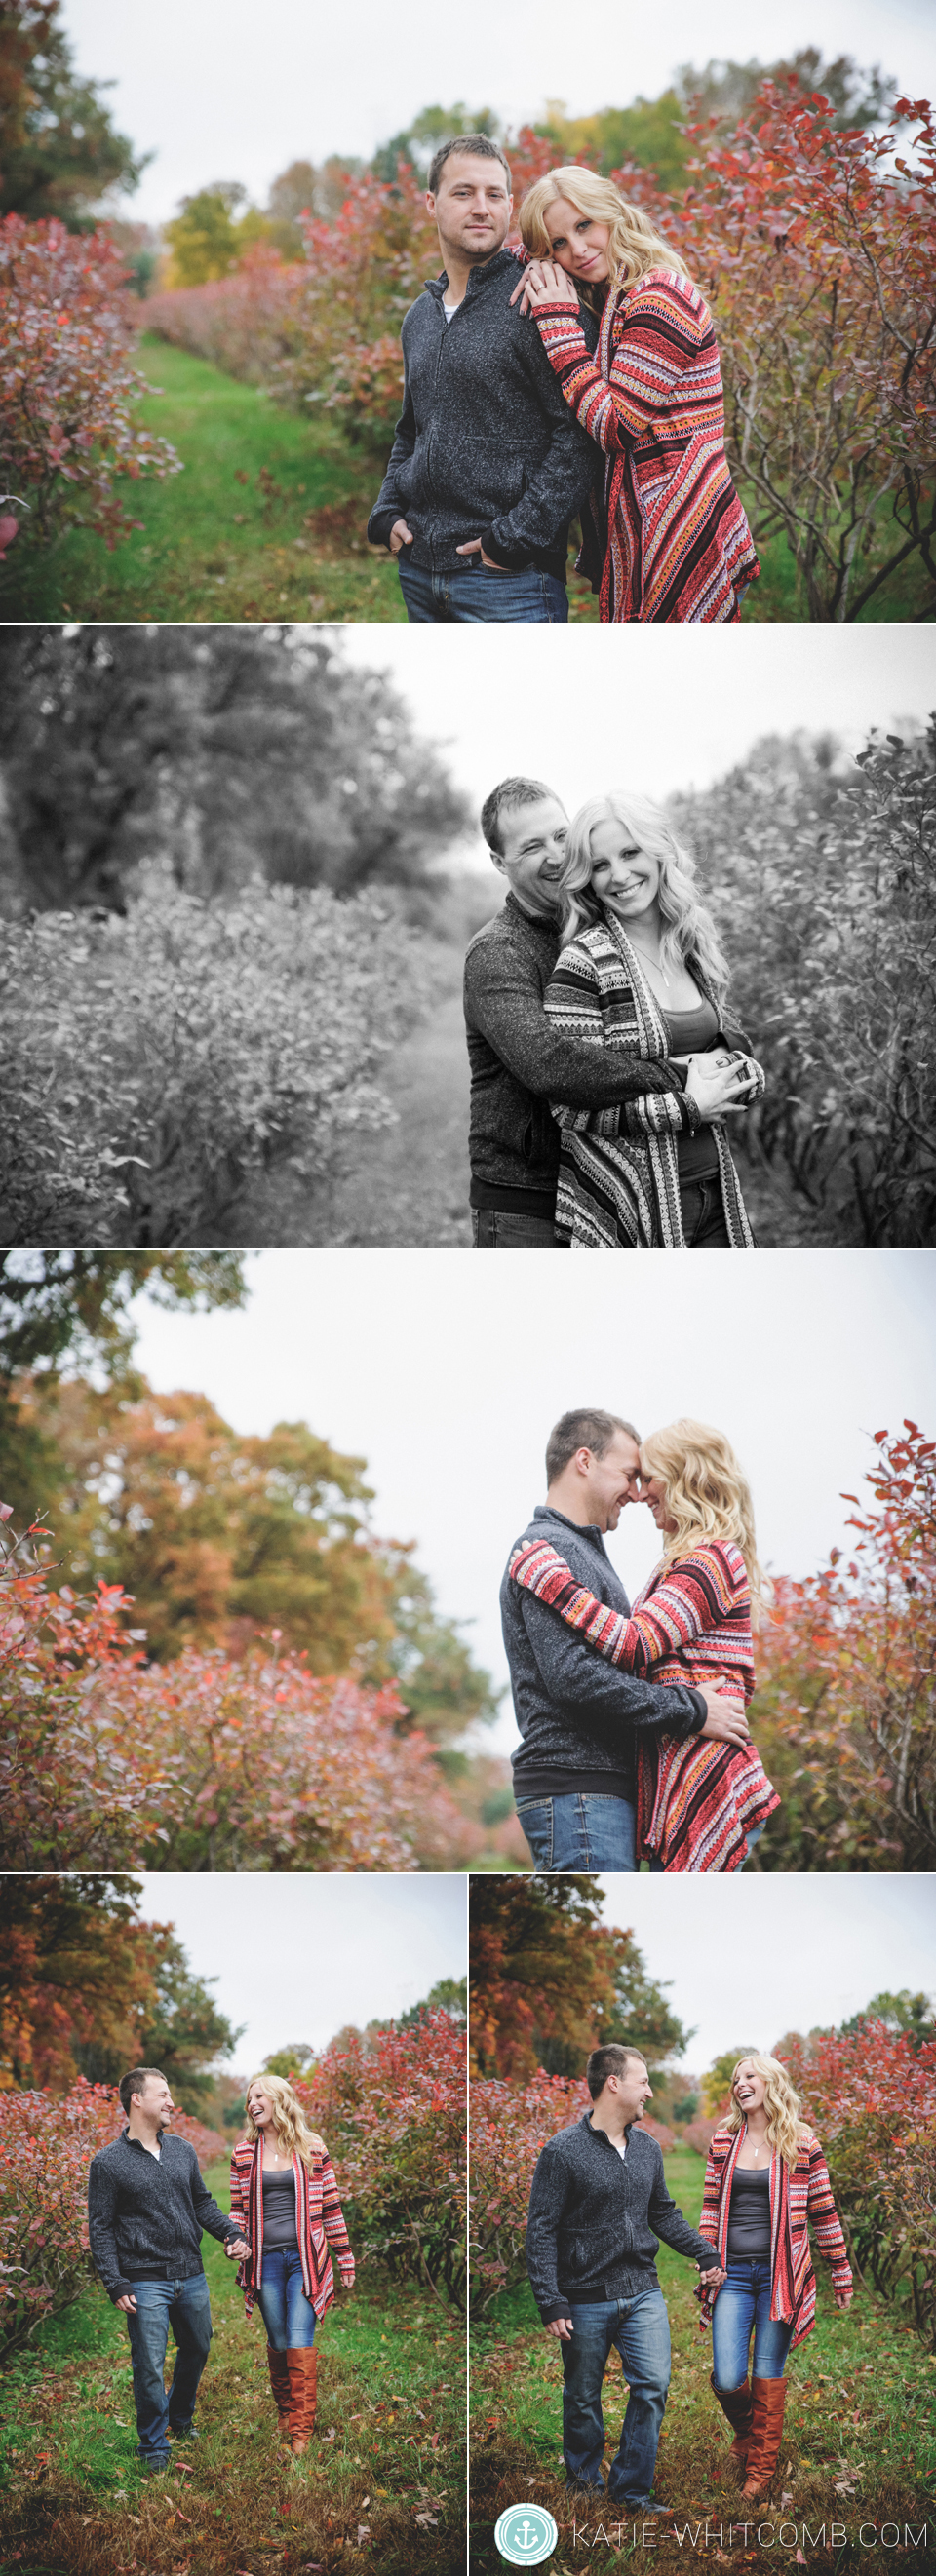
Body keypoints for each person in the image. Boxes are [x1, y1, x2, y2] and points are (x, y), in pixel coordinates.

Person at [464, 777, 740, 1246]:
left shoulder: (621, 928)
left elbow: (706, 1026)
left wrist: (727, 1059)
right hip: (527, 1196)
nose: (554, 855)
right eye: (532, 847)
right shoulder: (498, 951)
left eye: (560, 835)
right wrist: (680, 1077)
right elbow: (549, 1063)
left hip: (621, 1182)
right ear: (499, 862)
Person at [508, 1417, 780, 1870]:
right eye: (632, 1476)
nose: (639, 1492)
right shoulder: (554, 1546)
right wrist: (691, 1708)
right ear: (584, 1462)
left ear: (683, 1479)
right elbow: (580, 1675)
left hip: (696, 1774)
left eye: (646, 1477)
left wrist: (556, 1586)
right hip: (581, 1787)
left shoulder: (709, 1559)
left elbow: (634, 1646)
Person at [512, 167, 760, 623]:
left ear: (611, 212)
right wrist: (531, 261)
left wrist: (558, 323)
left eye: (584, 225)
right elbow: (520, 252)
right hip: (640, 524)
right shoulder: (612, 295)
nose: (579, 250)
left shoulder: (660, 295)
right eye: (559, 244)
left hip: (680, 523)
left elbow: (615, 426)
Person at [367, 136, 598, 624]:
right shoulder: (419, 318)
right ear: (431, 203)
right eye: (463, 193)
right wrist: (387, 511)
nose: (481, 208)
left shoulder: (540, 299)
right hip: (418, 571)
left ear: (511, 206)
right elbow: (411, 430)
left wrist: (513, 540)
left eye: (495, 195)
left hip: (510, 581)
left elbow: (580, 435)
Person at [543, 791, 764, 1246]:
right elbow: (568, 1105)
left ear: (659, 852)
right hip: (632, 1201)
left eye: (630, 853)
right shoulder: (583, 964)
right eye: (600, 865)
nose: (619, 876)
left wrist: (743, 1075)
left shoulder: (691, 945)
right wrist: (688, 1106)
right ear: (586, 878)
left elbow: (725, 1045)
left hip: (715, 1194)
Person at [526, 2044, 725, 2509]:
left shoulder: (647, 2149)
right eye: (643, 2082)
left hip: (642, 2291)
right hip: (584, 2297)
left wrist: (705, 2251)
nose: (650, 2093)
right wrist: (550, 2299)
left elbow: (663, 2213)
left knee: (652, 2386)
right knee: (581, 2397)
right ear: (613, 2083)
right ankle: (584, 2485)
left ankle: (631, 2489)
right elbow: (541, 2230)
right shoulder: (562, 2151)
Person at [699, 2054, 853, 2501]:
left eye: (749, 2075)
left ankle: (760, 2469)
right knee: (727, 2376)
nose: (740, 2083)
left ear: (771, 2083)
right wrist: (706, 2252)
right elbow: (711, 2206)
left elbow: (823, 2213)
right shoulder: (724, 2140)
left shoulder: (801, 2143)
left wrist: (840, 2272)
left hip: (780, 2276)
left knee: (768, 2371)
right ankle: (751, 2436)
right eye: (735, 2078)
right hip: (732, 2274)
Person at [87, 2067, 250, 2474]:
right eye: (163, 2094)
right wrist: (115, 2280)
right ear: (136, 2099)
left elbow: (202, 2203)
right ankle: (154, 2445)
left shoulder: (182, 2150)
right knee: (149, 2363)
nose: (171, 2102)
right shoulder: (107, 2163)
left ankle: (180, 2416)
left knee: (198, 2347)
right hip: (144, 2278)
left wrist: (230, 2233)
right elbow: (101, 2227)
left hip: (190, 2272)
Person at [229, 2072, 355, 2458]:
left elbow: (331, 2207)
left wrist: (345, 2257)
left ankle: (300, 2432)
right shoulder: (244, 2152)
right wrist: (234, 2240)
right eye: (250, 2098)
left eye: (260, 2096)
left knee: (301, 2338)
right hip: (263, 2261)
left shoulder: (312, 2148)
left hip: (305, 2260)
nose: (252, 2103)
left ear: (280, 2100)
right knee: (279, 2340)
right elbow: (237, 2210)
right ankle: (286, 2412)